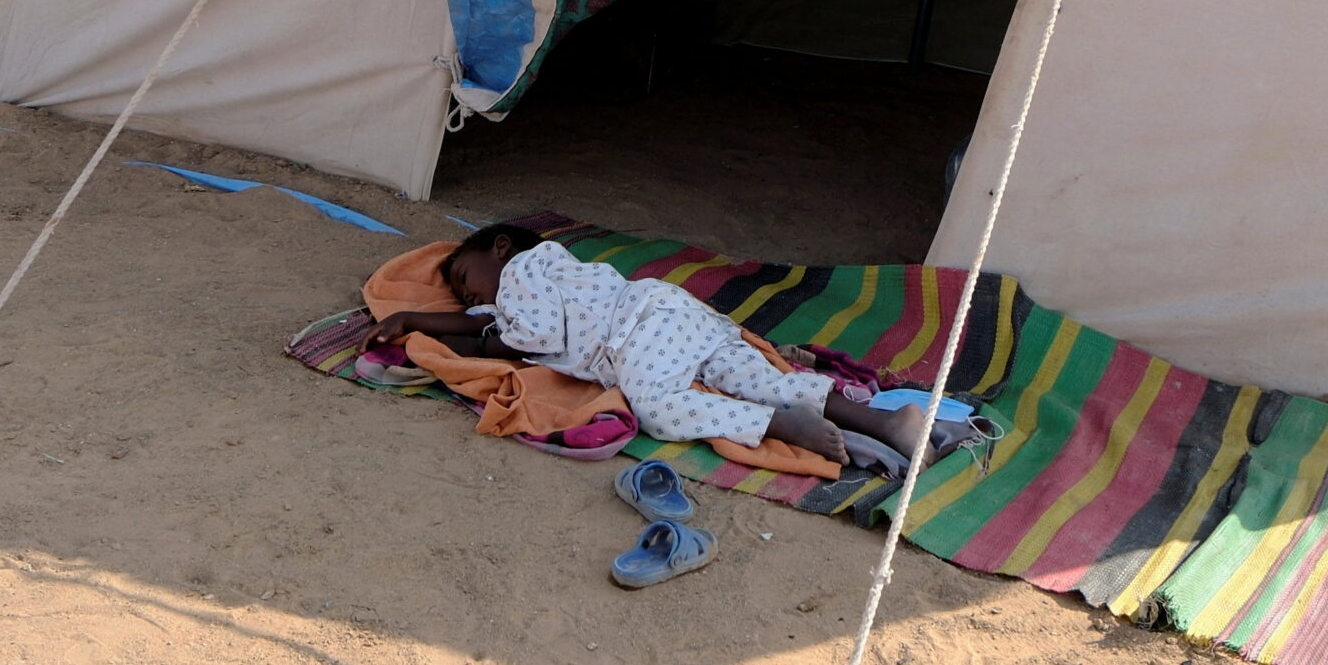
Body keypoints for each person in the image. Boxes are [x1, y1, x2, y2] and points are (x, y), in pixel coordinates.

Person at [370, 223, 936, 466]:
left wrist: (478, 336)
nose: (469, 300)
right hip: (678, 316)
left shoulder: (524, 267)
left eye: (466, 279)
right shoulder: (511, 299)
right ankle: (891, 423)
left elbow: (528, 335)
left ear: (497, 249)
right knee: (760, 378)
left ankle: (775, 425)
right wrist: (416, 320)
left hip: (637, 328)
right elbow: (486, 325)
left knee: (659, 406)